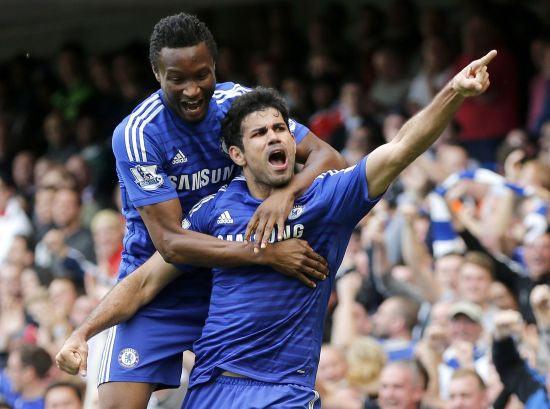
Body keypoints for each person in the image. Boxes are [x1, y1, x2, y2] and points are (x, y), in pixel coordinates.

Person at [58, 47, 495, 407]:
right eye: (259, 133)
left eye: (280, 128)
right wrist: (83, 332)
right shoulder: (212, 211)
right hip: (212, 389)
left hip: (283, 393)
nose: (274, 137)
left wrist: (453, 93)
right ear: (236, 155)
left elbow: (399, 149)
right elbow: (145, 282)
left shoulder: (327, 199)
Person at [57, 12, 342, 409]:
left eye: (202, 75)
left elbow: (328, 157)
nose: (193, 90)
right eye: (178, 79)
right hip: (160, 282)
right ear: (157, 73)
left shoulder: (239, 105)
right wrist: (267, 254)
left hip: (234, 282)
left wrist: (287, 192)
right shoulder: (138, 133)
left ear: (215, 66)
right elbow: (172, 244)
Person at [0, 345, 53, 409]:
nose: (7, 373)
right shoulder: (11, 392)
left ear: (28, 373)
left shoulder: (49, 404)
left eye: (12, 369)